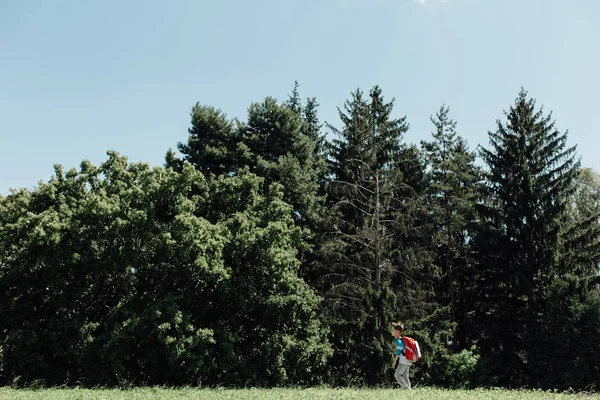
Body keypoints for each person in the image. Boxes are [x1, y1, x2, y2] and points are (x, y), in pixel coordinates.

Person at [391, 322, 412, 389]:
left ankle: (407, 389)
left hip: (404, 361)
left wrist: (394, 363)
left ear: (397, 331)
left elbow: (398, 353)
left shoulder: (399, 341)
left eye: (392, 330)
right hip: (408, 360)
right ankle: (410, 392)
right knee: (406, 376)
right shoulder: (402, 340)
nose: (391, 331)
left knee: (397, 375)